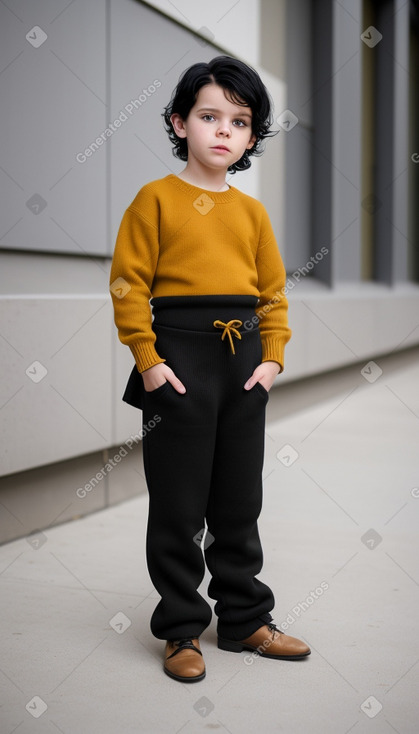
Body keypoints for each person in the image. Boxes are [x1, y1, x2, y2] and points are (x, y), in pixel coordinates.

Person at [109, 55, 310, 683]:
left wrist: (272, 358)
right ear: (180, 123)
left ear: (252, 137)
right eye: (209, 115)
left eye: (240, 120)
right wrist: (150, 362)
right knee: (178, 503)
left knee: (237, 501)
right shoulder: (156, 200)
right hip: (178, 364)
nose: (223, 129)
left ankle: (245, 619)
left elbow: (273, 294)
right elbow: (126, 285)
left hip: (242, 365)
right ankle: (180, 628)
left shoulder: (251, 214)